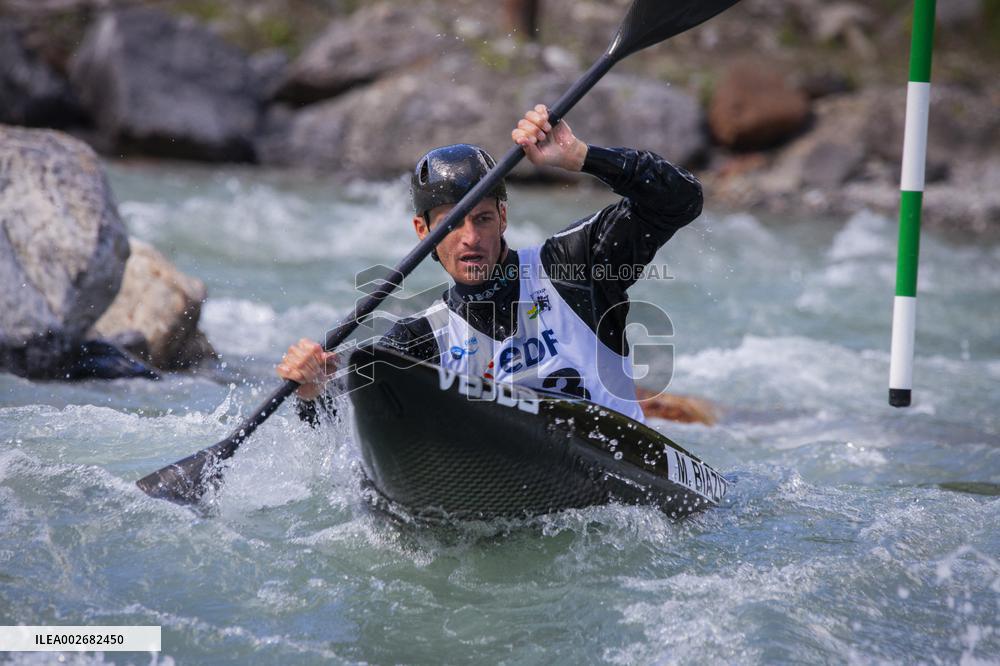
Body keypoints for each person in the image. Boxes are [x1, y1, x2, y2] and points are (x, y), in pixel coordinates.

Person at [278, 103, 703, 425]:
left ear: (503, 217)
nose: (470, 238)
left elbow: (681, 200)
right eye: (450, 224)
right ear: (422, 231)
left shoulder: (575, 266)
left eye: (482, 219)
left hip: (622, 480)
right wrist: (313, 390)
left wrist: (581, 156)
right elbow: (346, 423)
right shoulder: (420, 341)